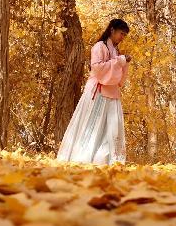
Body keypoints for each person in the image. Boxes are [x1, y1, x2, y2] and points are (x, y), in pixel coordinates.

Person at [57, 19, 132, 165]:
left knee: (112, 128)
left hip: (112, 92)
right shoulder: (99, 46)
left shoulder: (116, 51)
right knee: (91, 126)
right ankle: (83, 158)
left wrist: (123, 61)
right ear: (112, 30)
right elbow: (97, 69)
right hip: (98, 92)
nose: (122, 38)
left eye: (124, 35)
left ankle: (107, 161)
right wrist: (120, 61)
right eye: (121, 34)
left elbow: (117, 72)